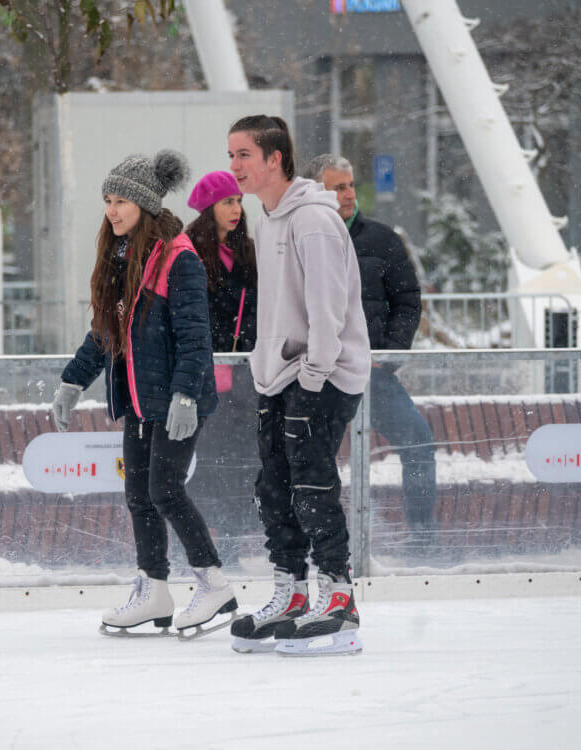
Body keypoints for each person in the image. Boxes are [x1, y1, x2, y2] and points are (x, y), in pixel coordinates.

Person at [51, 150, 237, 639]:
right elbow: (103, 332)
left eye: (122, 201)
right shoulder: (121, 256)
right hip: (138, 399)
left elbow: (197, 337)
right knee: (139, 495)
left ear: (145, 204)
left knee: (165, 490)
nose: (112, 210)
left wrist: (185, 397)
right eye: (108, 200)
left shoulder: (178, 258)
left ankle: (214, 583)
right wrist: (73, 380)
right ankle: (154, 589)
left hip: (176, 399)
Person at [224, 116, 370, 656]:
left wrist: (312, 380)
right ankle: (290, 594)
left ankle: (339, 600)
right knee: (274, 487)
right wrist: (268, 371)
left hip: (322, 374)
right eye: (231, 154)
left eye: (243, 155)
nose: (234, 165)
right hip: (278, 374)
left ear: (275, 159)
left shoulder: (312, 220)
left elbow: (327, 311)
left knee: (312, 485)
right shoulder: (267, 220)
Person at [303, 154, 437, 547]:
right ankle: (319, 544)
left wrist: (390, 354)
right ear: (318, 192)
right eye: (337, 187)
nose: (347, 194)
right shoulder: (303, 236)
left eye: (349, 185)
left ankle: (423, 536)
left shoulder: (381, 238)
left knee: (417, 440)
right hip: (319, 376)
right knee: (310, 455)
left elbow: (408, 300)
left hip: (371, 373)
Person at [183, 171, 260, 549]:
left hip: (244, 375)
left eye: (239, 201)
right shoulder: (187, 252)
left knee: (242, 460)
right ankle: (200, 541)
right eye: (227, 201)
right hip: (203, 376)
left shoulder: (247, 250)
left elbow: (257, 309)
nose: (236, 208)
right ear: (208, 207)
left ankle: (231, 535)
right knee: (204, 463)